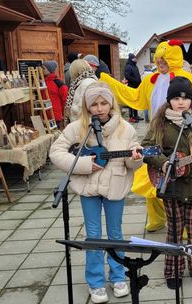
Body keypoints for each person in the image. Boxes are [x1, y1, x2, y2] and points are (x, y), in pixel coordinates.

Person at [100, 40, 192, 233]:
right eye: (158, 59)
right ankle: (157, 219)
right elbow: (134, 96)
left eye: (164, 59)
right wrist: (110, 83)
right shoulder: (150, 79)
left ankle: (185, 229)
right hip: (157, 132)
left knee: (179, 183)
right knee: (152, 179)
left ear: (172, 58)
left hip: (181, 135)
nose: (161, 62)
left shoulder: (184, 78)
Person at [49, 82, 143, 303]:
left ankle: (119, 276)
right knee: (93, 235)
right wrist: (83, 164)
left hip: (115, 187)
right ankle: (96, 281)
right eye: (94, 104)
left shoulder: (125, 129)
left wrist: (135, 159)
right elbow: (56, 152)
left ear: (111, 104)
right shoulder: (77, 127)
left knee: (115, 234)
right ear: (86, 106)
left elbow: (131, 163)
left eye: (104, 103)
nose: (99, 109)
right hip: (88, 188)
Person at [142, 77, 192, 290]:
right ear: (169, 100)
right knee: (174, 229)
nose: (181, 102)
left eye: (185, 98)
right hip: (171, 186)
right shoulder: (160, 123)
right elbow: (146, 148)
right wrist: (163, 163)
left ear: (191, 100)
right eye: (176, 98)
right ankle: (173, 270)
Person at [42, 60, 68, 129]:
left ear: (49, 70)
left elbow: (65, 99)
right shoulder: (43, 82)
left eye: (44, 68)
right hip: (46, 114)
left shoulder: (58, 83)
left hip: (56, 114)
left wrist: (63, 113)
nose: (42, 70)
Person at [124, 53, 143, 122]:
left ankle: (136, 115)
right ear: (131, 59)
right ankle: (131, 116)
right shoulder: (128, 66)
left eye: (135, 58)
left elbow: (138, 75)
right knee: (132, 102)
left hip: (137, 87)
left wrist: (139, 82)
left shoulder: (135, 66)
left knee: (136, 101)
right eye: (134, 58)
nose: (135, 60)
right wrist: (135, 81)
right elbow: (127, 76)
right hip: (131, 86)